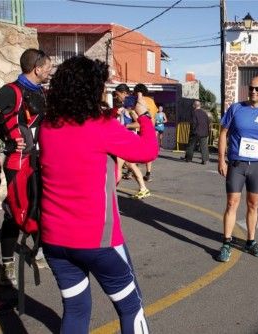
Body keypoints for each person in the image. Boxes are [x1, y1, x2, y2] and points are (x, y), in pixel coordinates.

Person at [40, 56, 157, 333]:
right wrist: (144, 116)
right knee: (131, 308)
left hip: (55, 239)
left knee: (76, 310)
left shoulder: (48, 126)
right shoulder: (101, 127)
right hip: (98, 240)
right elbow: (148, 150)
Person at [0, 48, 52, 287]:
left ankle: (38, 250)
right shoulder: (11, 91)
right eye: (48, 67)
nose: (50, 71)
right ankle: (7, 264)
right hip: (18, 162)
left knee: (41, 206)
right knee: (14, 212)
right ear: (37, 68)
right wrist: (4, 139)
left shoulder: (42, 92)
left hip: (41, 160)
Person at [216, 76, 258, 262]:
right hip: (237, 164)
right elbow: (223, 133)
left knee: (253, 205)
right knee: (232, 203)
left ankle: (250, 241)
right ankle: (226, 242)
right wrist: (221, 159)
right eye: (251, 88)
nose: (254, 91)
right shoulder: (236, 108)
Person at [114, 84, 151, 199]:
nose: (116, 97)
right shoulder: (124, 108)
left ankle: (109, 191)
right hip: (124, 141)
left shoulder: (131, 109)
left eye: (117, 94)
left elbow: (139, 124)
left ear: (124, 93)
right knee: (130, 165)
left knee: (118, 166)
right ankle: (143, 188)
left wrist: (125, 126)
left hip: (127, 141)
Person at [133, 84, 157, 182]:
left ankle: (133, 169)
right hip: (151, 128)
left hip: (141, 129)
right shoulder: (151, 101)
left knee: (136, 150)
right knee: (149, 151)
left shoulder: (139, 101)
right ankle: (148, 173)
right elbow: (153, 114)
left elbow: (138, 118)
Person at [184, 100, 210, 164]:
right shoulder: (204, 113)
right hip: (204, 132)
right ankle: (205, 160)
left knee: (191, 145)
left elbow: (193, 123)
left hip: (196, 132)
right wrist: (207, 131)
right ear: (200, 105)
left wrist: (192, 131)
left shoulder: (194, 113)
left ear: (194, 106)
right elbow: (208, 122)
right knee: (204, 146)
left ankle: (188, 158)